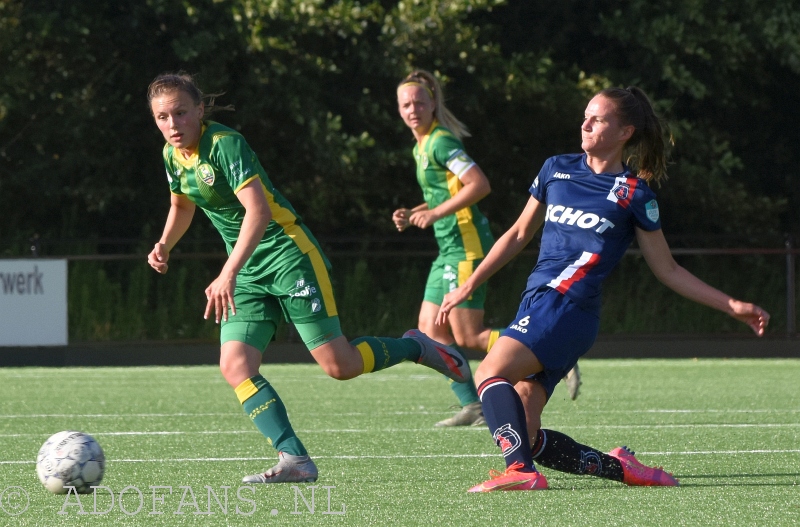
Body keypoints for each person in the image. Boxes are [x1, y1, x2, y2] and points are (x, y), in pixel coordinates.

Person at [437, 86, 770, 492]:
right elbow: (519, 233)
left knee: (490, 371)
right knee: (524, 424)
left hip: (569, 308)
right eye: (585, 115)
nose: (585, 123)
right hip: (538, 303)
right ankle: (623, 468)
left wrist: (731, 304)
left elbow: (667, 269)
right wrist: (469, 283)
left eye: (598, 119)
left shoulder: (634, 193)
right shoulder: (555, 169)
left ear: (625, 131)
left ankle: (521, 474)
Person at [145, 72, 471, 485]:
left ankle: (416, 347)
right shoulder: (172, 154)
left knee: (340, 365)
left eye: (180, 113)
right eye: (162, 117)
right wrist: (164, 244)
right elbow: (183, 206)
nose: (173, 125)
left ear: (200, 110)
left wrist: (227, 272)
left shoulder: (224, 144)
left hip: (288, 255)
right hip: (245, 270)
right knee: (235, 365)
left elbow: (258, 212)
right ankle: (294, 459)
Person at [393, 70, 581, 429]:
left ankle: (553, 351)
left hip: (465, 246)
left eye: (419, 102)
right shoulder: (421, 145)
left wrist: (433, 213)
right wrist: (417, 211)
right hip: (447, 248)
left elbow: (478, 184)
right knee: (431, 331)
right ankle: (473, 405)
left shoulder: (440, 142)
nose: (412, 109)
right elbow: (444, 193)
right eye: (406, 104)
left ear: (433, 103)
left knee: (467, 335)